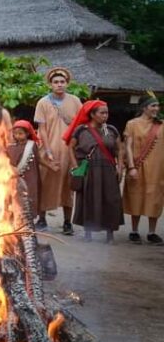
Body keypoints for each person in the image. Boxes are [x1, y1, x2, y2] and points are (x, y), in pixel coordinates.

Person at [64, 100, 123, 243]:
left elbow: (119, 149)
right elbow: (70, 148)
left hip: (108, 169)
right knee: (88, 199)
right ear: (92, 114)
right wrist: (75, 167)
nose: (105, 116)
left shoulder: (111, 130)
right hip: (89, 169)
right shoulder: (81, 130)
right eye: (102, 113)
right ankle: (88, 233)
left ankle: (110, 234)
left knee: (110, 200)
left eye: (107, 113)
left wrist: (120, 166)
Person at [35, 67, 82, 234]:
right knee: (45, 182)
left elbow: (80, 126)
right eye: (56, 82)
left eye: (62, 82)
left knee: (68, 185)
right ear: (50, 84)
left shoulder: (75, 101)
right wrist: (47, 151)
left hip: (69, 150)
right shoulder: (43, 103)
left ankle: (67, 222)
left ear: (67, 83)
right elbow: (42, 128)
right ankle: (42, 218)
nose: (59, 85)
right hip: (49, 149)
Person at [121, 95, 164, 244]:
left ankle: (152, 233)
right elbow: (127, 146)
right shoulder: (132, 124)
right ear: (144, 107)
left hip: (157, 170)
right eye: (153, 106)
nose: (156, 109)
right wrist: (131, 167)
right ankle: (134, 231)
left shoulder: (161, 125)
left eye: (157, 106)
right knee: (136, 197)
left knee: (155, 200)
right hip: (137, 168)